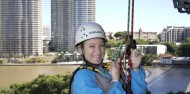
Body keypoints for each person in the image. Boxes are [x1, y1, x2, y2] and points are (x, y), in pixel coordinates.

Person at [70, 22, 147, 94]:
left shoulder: (104, 70)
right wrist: (115, 81)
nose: (98, 51)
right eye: (92, 46)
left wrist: (136, 69)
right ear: (80, 49)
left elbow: (139, 92)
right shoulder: (82, 77)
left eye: (101, 45)